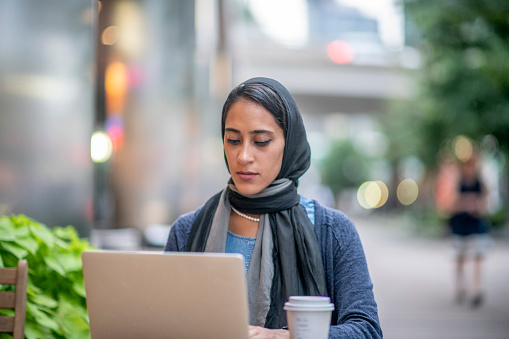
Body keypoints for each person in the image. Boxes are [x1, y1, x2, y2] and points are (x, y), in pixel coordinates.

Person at [164, 77, 382, 338]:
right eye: (233, 140)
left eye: (261, 141)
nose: (244, 156)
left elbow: (366, 329)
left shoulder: (332, 231)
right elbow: (166, 323)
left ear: (288, 144)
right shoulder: (187, 231)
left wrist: (283, 336)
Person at [448, 150, 491, 308]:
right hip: (460, 224)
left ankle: (476, 289)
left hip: (476, 224)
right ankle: (460, 287)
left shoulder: (481, 182)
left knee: (478, 256)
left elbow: (486, 202)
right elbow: (451, 203)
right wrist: (464, 203)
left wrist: (478, 206)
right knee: (459, 256)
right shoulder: (458, 181)